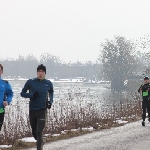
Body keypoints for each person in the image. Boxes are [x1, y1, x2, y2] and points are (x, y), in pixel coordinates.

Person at [20, 64, 54, 150]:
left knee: (39, 132)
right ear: (37, 72)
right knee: (34, 133)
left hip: (42, 110)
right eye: (39, 71)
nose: (40, 73)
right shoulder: (30, 82)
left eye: (42, 72)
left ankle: (39, 148)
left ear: (45, 73)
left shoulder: (48, 83)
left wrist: (50, 101)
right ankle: (41, 141)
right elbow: (22, 93)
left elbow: (51, 92)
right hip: (32, 110)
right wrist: (31, 95)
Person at [0, 64, 13, 134]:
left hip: (0, 110)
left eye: (0, 70)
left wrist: (7, 101)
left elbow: (10, 94)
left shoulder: (5, 83)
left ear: (2, 72)